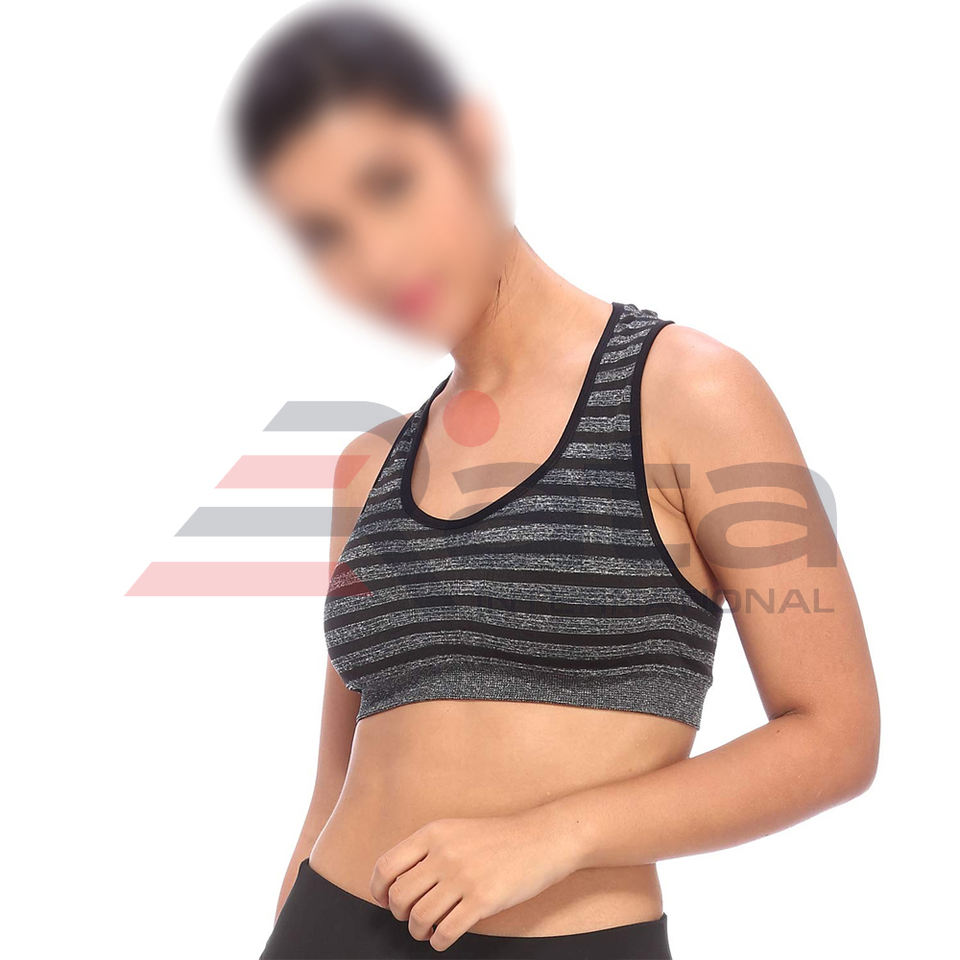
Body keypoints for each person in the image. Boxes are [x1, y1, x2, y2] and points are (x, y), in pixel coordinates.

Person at [230, 6, 880, 958]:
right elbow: (337, 774)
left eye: (389, 184)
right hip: (329, 930)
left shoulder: (688, 393)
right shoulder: (369, 464)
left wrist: (552, 837)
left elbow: (836, 736)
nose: (377, 254)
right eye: (327, 233)